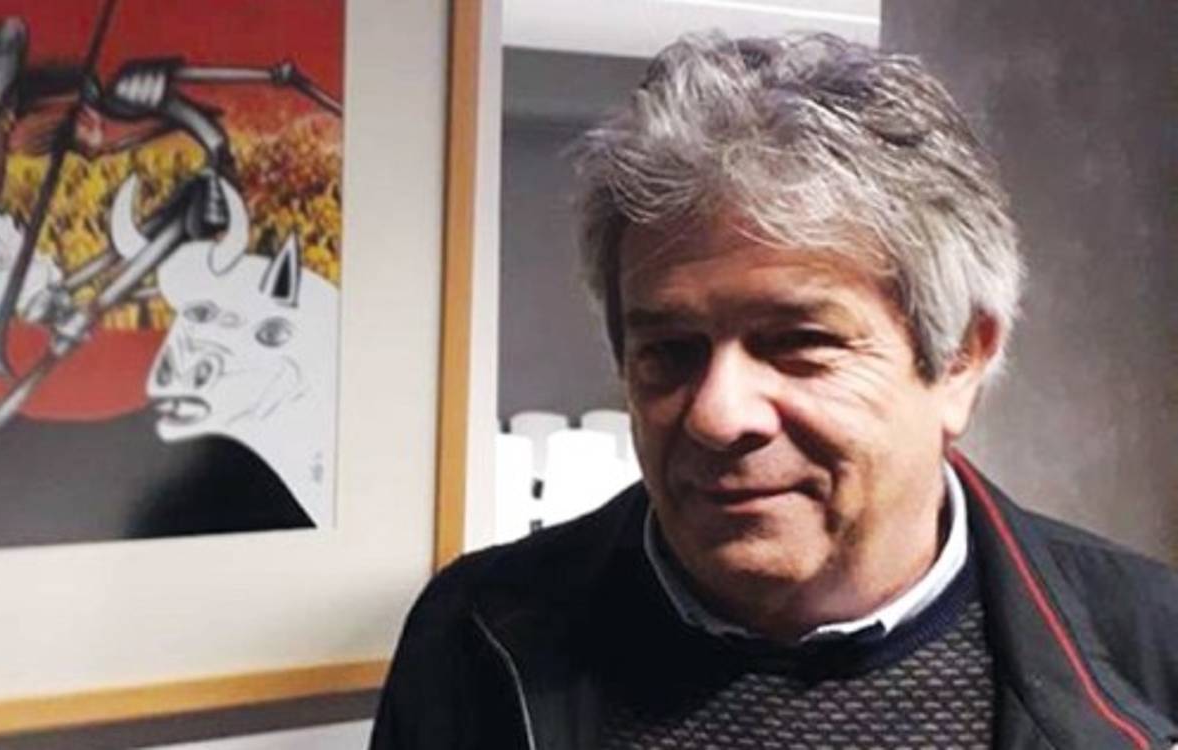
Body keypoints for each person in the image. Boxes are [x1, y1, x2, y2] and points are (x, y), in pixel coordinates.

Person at [371, 32, 1178, 749]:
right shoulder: (476, 637)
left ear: (959, 361)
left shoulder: (1150, 653)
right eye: (669, 352)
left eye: (797, 343)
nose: (717, 415)